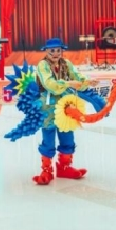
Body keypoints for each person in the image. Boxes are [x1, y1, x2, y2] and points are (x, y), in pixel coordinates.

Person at [32, 38, 98, 185]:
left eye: (58, 50)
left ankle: (64, 167)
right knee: (48, 138)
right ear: (46, 51)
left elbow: (77, 77)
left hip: (65, 106)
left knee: (67, 136)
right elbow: (49, 84)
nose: (56, 53)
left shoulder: (66, 64)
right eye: (52, 50)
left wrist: (87, 81)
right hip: (48, 108)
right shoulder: (42, 65)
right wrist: (69, 84)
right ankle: (46, 170)